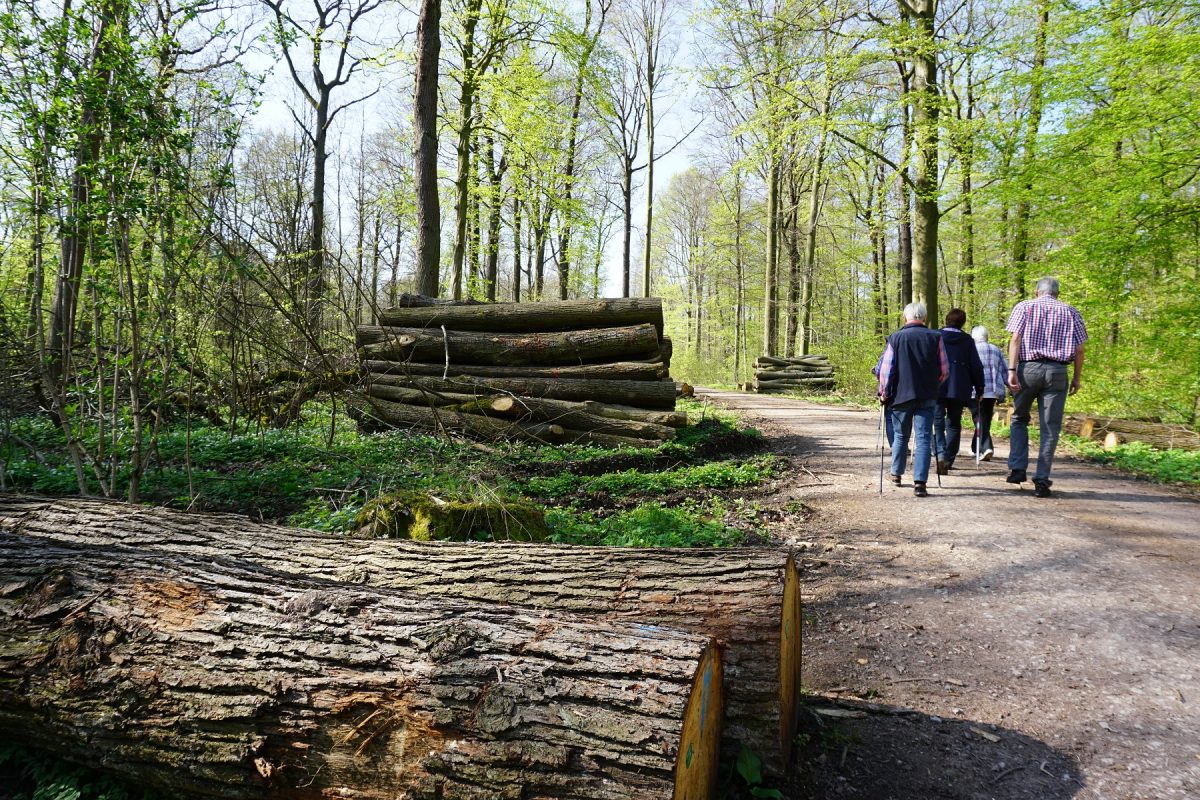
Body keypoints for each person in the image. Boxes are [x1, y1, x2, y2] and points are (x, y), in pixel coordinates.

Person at [1004, 276, 1088, 498]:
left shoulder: (1024, 307)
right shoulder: (1071, 312)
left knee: (1019, 418)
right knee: (1050, 428)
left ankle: (1018, 469)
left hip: (1028, 369)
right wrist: (1077, 378)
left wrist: (1011, 370)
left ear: (1036, 292)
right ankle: (1041, 479)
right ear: (1057, 293)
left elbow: (1015, 339)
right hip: (1058, 372)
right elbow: (1080, 350)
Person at [877, 302, 948, 497]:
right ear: (924, 318)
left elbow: (886, 370)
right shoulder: (936, 337)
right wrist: (934, 385)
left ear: (904, 318)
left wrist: (883, 391)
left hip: (901, 395)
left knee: (901, 436)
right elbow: (944, 370)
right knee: (924, 438)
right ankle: (920, 483)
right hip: (927, 395)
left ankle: (896, 474)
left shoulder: (896, 338)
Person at [933, 309, 984, 474]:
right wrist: (980, 388)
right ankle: (948, 458)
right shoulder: (968, 341)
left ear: (946, 320)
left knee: (938, 421)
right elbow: (976, 366)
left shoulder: (936, 336)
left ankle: (940, 453)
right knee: (954, 423)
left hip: (937, 385)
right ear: (963, 322)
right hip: (959, 387)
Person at [969, 325, 1008, 460]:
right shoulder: (996, 350)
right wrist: (1011, 386)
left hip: (975, 390)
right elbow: (1005, 370)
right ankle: (976, 448)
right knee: (984, 419)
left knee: (979, 419)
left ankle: (986, 447)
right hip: (992, 391)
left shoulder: (972, 350)